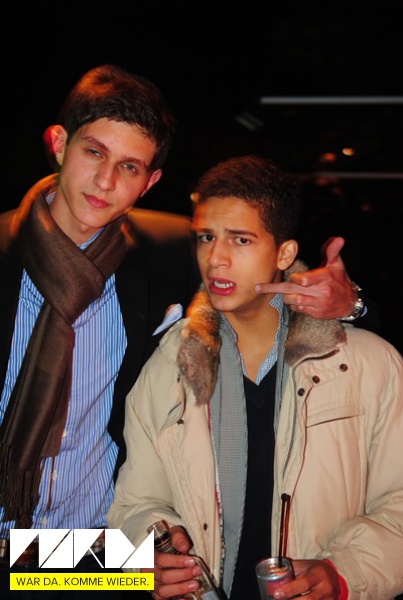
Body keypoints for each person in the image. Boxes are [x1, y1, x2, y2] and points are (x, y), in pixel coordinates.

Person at [0, 63, 375, 598]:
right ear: (59, 144)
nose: (107, 181)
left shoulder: (170, 252)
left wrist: (350, 302)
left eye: (130, 166)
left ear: (151, 181)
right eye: (94, 152)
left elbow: (258, 273)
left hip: (100, 551)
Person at [107, 155, 403, 600]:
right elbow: (136, 502)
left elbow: (397, 504)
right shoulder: (169, 366)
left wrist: (342, 573)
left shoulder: (367, 364)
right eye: (206, 237)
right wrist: (152, 545)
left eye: (241, 240)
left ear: (284, 253)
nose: (216, 258)